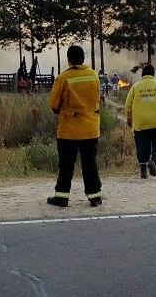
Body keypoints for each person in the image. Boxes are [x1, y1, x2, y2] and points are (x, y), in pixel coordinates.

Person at [47, 45, 102, 207]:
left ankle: (62, 197)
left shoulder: (63, 78)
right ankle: (95, 197)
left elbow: (54, 105)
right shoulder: (93, 76)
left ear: (69, 59)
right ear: (83, 59)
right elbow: (97, 99)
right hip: (91, 129)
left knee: (66, 165)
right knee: (90, 164)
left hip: (69, 131)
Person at [125, 64, 156, 179]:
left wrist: (129, 118)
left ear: (142, 74)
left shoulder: (135, 87)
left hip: (141, 123)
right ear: (153, 74)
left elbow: (128, 104)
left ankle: (143, 169)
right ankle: (154, 159)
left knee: (142, 145)